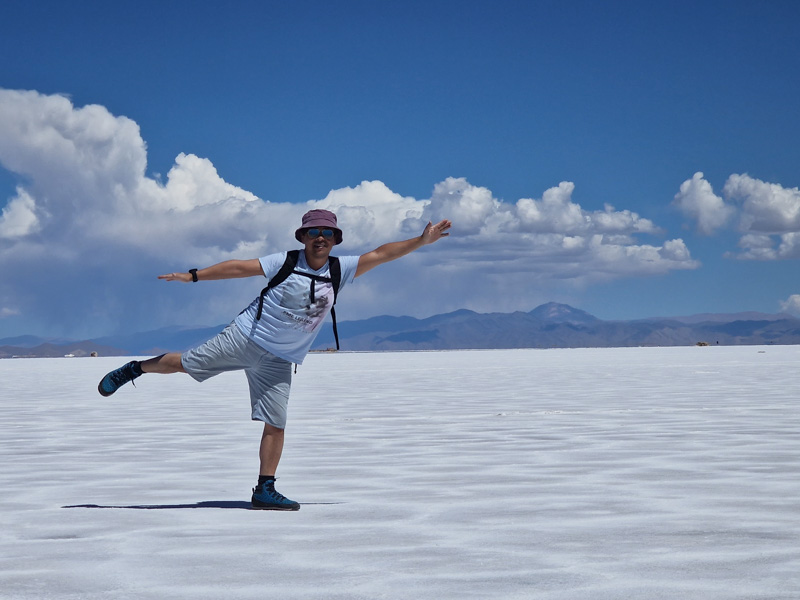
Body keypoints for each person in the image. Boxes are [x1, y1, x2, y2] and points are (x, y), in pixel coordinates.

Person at [97, 209, 452, 510]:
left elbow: (382, 254)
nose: (320, 237)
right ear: (303, 236)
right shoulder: (285, 261)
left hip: (280, 359)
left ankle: (264, 490)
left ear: (334, 238)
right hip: (245, 338)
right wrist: (194, 276)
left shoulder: (339, 269)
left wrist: (421, 242)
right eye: (313, 231)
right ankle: (134, 368)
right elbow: (239, 268)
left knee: (276, 423)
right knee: (183, 363)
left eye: (327, 232)